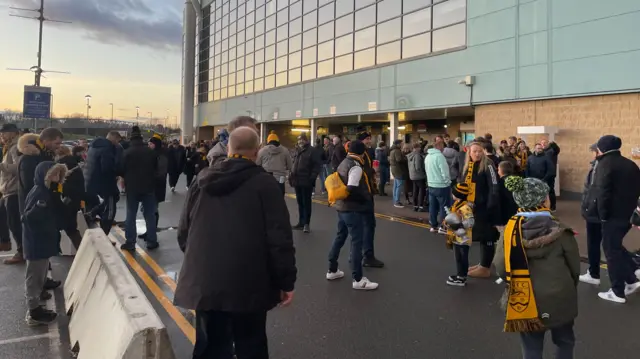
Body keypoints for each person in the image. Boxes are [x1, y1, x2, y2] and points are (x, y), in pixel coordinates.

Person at [174, 126, 297, 358]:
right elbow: (279, 239)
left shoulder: (202, 180)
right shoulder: (265, 184)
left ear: (228, 148)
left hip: (207, 280)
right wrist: (286, 282)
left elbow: (184, 232)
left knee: (210, 346)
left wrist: (202, 261)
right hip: (249, 283)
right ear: (257, 151)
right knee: (251, 344)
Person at [495, 176, 580, 359]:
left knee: (532, 347)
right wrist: (569, 286)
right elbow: (574, 267)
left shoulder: (509, 232)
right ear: (544, 200)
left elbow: (501, 267)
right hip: (559, 296)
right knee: (565, 341)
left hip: (525, 299)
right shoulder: (561, 231)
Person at [585, 135, 640, 303]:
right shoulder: (631, 164)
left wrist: (602, 216)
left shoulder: (604, 165)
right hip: (627, 215)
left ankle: (617, 291)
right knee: (614, 246)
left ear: (601, 148)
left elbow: (602, 192)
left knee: (611, 251)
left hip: (612, 216)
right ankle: (631, 280)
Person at [326, 140, 379, 290]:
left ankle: (332, 269)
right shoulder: (356, 167)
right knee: (357, 242)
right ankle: (358, 279)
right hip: (353, 209)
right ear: (362, 152)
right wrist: (365, 198)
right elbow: (352, 188)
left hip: (341, 207)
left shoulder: (344, 162)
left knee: (340, 237)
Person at [9, 128, 63, 266]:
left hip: (39, 205)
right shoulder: (30, 158)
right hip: (34, 207)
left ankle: (44, 276)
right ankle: (39, 282)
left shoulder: (43, 155)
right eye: (56, 143)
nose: (59, 147)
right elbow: (29, 185)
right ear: (46, 141)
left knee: (42, 243)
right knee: (35, 244)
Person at [23, 161, 68, 325]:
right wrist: (40, 210)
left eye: (58, 175)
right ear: (45, 176)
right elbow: (28, 217)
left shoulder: (47, 191)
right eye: (54, 175)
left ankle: (35, 308)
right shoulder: (40, 193)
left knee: (40, 275)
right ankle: (33, 311)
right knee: (34, 278)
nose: (57, 178)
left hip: (42, 241)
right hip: (36, 242)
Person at [463, 141, 501, 278]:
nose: (477, 154)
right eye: (475, 151)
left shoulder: (488, 164)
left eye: (480, 151)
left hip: (486, 207)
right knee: (480, 235)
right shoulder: (469, 166)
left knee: (487, 236)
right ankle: (482, 264)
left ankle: (485, 268)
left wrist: (491, 206)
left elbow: (494, 186)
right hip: (473, 207)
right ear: (469, 152)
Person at [120, 128, 160, 251]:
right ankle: (151, 241)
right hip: (148, 187)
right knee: (150, 215)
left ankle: (131, 242)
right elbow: (156, 169)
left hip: (132, 188)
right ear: (141, 139)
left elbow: (120, 169)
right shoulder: (150, 152)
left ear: (131, 139)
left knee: (131, 215)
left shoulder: (127, 152)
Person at [84, 131, 122, 235]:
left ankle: (92, 213)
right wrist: (117, 172)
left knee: (109, 202)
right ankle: (104, 234)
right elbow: (107, 167)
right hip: (105, 183)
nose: (118, 143)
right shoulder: (107, 148)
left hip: (92, 181)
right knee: (110, 210)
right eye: (118, 140)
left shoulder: (94, 146)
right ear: (113, 138)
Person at [579, 144, 603, 285]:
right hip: (602, 212)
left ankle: (594, 274)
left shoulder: (599, 168)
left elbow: (593, 191)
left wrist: (587, 210)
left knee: (595, 243)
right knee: (611, 245)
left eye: (593, 151)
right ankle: (630, 274)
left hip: (596, 213)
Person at [443, 183, 475, 286]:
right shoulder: (457, 204)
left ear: (458, 195)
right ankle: (459, 275)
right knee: (458, 257)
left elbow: (471, 222)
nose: (452, 194)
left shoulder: (465, 208)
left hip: (464, 238)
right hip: (457, 236)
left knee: (462, 257)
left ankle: (461, 277)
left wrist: (459, 225)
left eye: (453, 193)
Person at [138, 136, 168, 242]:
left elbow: (161, 173)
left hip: (156, 187)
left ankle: (151, 232)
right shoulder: (152, 155)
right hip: (150, 186)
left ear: (155, 144)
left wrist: (148, 175)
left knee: (152, 210)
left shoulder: (160, 156)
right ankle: (150, 231)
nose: (148, 146)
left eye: (150, 144)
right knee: (146, 209)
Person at [290, 133, 321, 233]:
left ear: (306, 140)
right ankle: (301, 222)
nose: (300, 141)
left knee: (306, 202)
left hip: (306, 180)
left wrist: (312, 178)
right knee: (300, 202)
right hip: (297, 180)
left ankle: (306, 223)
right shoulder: (297, 151)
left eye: (302, 139)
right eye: (299, 140)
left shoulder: (312, 151)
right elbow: (293, 163)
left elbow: (317, 166)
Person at [55, 147, 86, 250]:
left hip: (66, 199)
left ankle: (55, 249)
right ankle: (82, 249)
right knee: (71, 227)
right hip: (74, 198)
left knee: (60, 226)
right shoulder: (74, 164)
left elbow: (62, 184)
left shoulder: (61, 165)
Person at [0, 124, 23, 254]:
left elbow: (19, 167)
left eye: (4, 133)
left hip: (14, 189)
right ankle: (4, 242)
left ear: (13, 133)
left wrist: (2, 166)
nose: (1, 135)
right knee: (2, 215)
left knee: (14, 222)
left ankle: (21, 251)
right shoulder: (8, 147)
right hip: (7, 189)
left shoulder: (16, 148)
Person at [425, 141, 451, 232]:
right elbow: (444, 171)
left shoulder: (428, 156)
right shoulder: (440, 157)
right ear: (439, 147)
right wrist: (448, 182)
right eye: (443, 146)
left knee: (432, 206)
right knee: (444, 207)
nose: (444, 148)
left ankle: (433, 225)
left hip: (431, 185)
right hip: (442, 186)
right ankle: (443, 226)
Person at [540, 139, 561, 211]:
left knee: (550, 190)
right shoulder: (541, 152)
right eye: (542, 143)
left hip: (550, 174)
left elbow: (557, 149)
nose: (543, 144)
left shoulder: (552, 151)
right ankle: (544, 206)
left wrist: (553, 144)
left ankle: (552, 206)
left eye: (545, 143)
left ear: (548, 144)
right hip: (542, 174)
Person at [497, 161, 519, 227]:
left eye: (498, 169)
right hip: (517, 210)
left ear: (501, 171)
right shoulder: (517, 179)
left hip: (506, 212)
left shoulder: (500, 182)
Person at [407, 142, 426, 212]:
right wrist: (424, 172)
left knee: (415, 191)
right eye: (419, 147)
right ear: (417, 148)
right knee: (421, 191)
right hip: (419, 176)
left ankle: (415, 206)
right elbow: (418, 167)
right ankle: (420, 206)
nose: (420, 148)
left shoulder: (409, 155)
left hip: (412, 175)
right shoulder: (417, 155)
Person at [389, 140, 407, 208]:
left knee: (396, 186)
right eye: (401, 144)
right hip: (399, 170)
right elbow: (399, 159)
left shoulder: (392, 150)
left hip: (394, 170)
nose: (402, 145)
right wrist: (405, 158)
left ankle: (395, 200)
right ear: (398, 144)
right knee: (399, 186)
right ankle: (397, 201)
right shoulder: (397, 151)